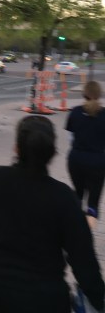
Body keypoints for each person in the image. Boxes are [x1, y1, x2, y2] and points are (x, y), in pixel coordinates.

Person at [0, 116, 105, 313]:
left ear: (16, 148)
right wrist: (98, 298)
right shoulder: (63, 197)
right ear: (53, 153)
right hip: (45, 296)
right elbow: (83, 258)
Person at [66, 80, 105, 230]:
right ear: (99, 94)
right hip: (97, 161)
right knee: (93, 202)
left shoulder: (75, 112)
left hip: (76, 159)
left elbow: (70, 138)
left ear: (84, 94)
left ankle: (74, 230)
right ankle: (88, 234)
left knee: (78, 195)